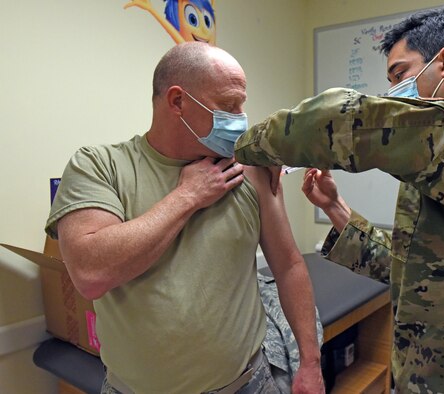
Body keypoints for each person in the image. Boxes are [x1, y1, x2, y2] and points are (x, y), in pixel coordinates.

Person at [234, 8, 444, 394]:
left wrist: (246, 146)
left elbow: (342, 121)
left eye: (401, 75)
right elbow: (410, 269)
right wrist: (335, 208)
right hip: (431, 374)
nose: (394, 92)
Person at [45, 42, 324, 394]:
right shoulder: (99, 166)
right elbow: (90, 274)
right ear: (177, 102)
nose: (240, 118)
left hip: (248, 385)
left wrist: (310, 363)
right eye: (228, 106)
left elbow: (289, 266)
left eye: (242, 105)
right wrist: (187, 197)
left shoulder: (250, 169)